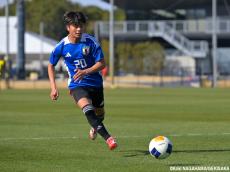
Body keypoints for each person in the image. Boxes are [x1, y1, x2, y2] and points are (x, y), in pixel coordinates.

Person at [48, 11, 117, 150]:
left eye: (81, 26)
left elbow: (102, 63)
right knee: (88, 110)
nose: (79, 29)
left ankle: (95, 128)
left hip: (96, 84)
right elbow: (51, 65)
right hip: (77, 85)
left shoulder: (91, 42)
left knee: (100, 114)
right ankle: (109, 139)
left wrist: (86, 71)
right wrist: (53, 87)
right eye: (75, 26)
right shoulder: (61, 46)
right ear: (68, 27)